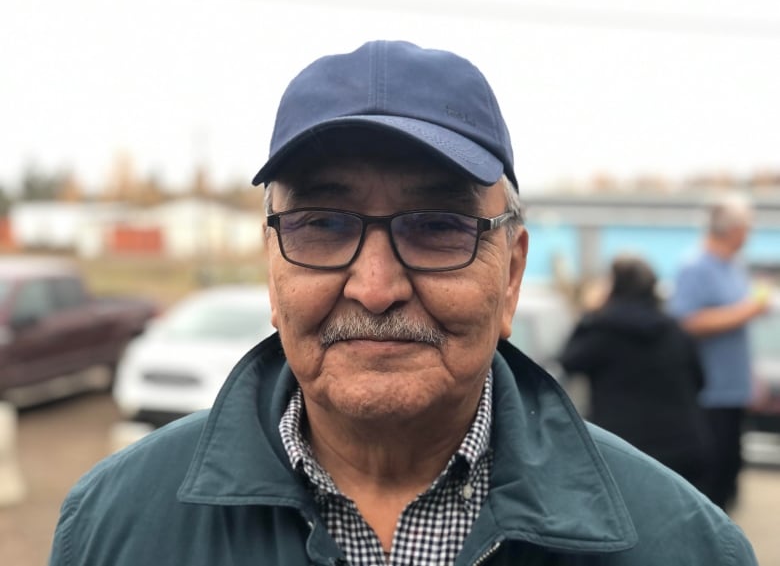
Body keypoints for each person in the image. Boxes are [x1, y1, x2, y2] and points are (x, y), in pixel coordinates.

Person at [49, 40, 756, 565]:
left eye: (439, 227)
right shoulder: (113, 527)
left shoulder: (684, 545)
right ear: (273, 271)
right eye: (323, 225)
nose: (376, 287)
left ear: (510, 276)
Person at [560, 255, 712, 492]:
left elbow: (568, 361)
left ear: (613, 287)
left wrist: (588, 313)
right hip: (683, 449)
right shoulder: (674, 330)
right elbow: (701, 381)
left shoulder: (602, 331)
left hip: (623, 452)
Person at [669, 194, 770, 511]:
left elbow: (738, 326)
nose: (750, 233)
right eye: (748, 227)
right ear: (734, 229)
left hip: (734, 391)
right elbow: (686, 322)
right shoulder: (695, 267)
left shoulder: (734, 266)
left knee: (731, 472)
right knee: (711, 479)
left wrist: (750, 377)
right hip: (708, 393)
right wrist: (749, 310)